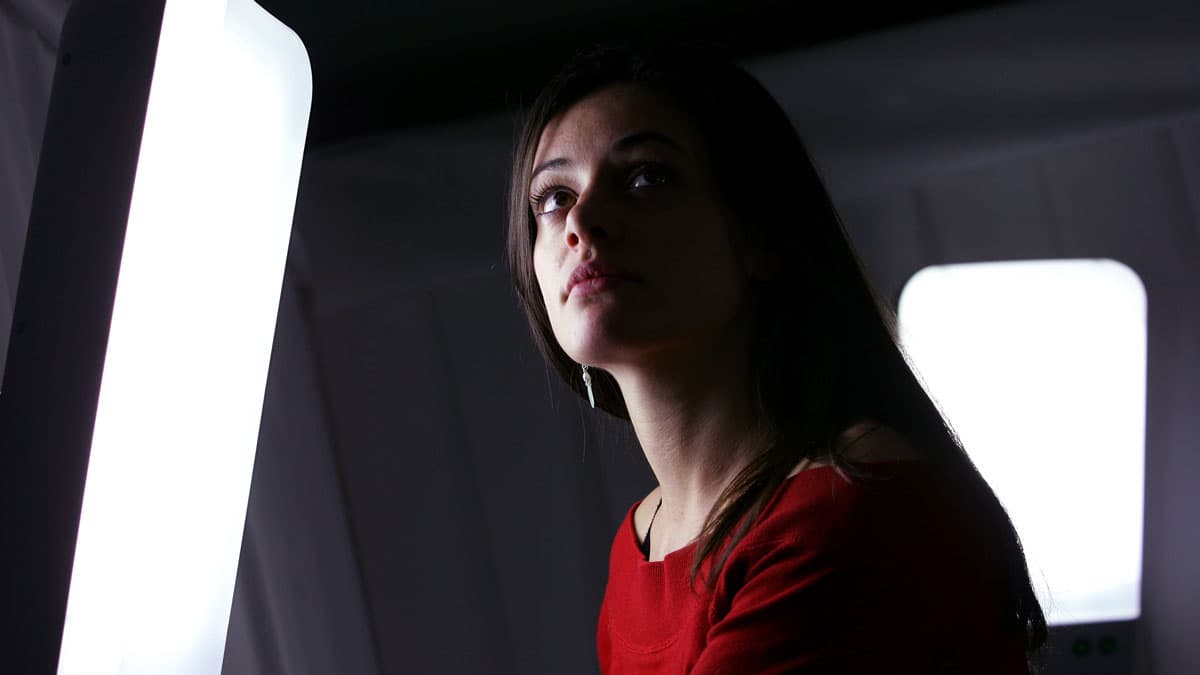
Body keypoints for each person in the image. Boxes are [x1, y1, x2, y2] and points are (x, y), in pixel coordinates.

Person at [506, 42, 1047, 674]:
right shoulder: (642, 540)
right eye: (553, 197)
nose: (583, 219)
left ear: (761, 235)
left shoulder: (847, 503)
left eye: (647, 177)